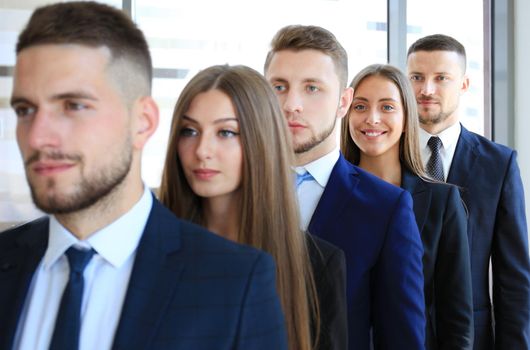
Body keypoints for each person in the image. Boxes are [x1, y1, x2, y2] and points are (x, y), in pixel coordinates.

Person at [0, 2, 287, 350]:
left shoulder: (235, 283)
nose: (36, 137)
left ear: (143, 122)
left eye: (74, 105)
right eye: (25, 110)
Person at [158, 64, 347, 350]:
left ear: (261, 139)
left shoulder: (318, 263)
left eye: (225, 133)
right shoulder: (152, 248)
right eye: (189, 131)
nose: (202, 151)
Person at [264, 24, 426, 350]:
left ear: (343, 101)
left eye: (312, 88)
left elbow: (401, 340)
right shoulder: (231, 195)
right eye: (279, 86)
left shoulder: (386, 208)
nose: (291, 103)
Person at [407, 33, 530, 350]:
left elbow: (513, 279)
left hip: (472, 339)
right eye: (417, 77)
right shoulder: (384, 158)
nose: (426, 89)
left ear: (463, 84)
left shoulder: (498, 164)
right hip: (398, 333)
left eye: (441, 78)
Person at [341, 63, 474, 349]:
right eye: (360, 107)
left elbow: (457, 320)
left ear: (406, 117)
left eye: (387, 107)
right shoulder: (327, 194)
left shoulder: (442, 202)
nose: (372, 119)